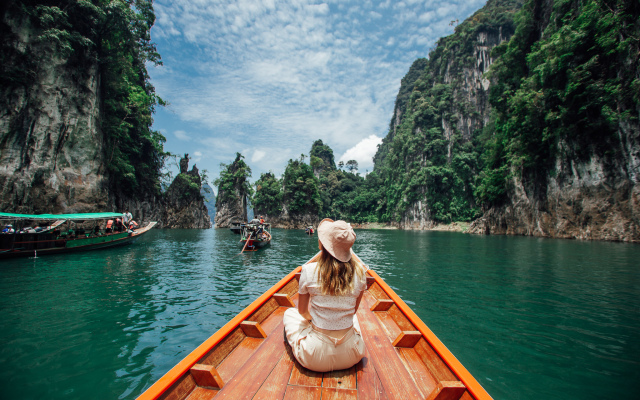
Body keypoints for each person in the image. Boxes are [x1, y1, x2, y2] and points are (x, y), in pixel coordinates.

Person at [283, 218, 367, 372]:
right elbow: (353, 311)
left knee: (289, 313)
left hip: (315, 357)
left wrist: (311, 320)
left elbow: (302, 312)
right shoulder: (361, 272)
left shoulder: (308, 271)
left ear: (324, 243)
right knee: (354, 319)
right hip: (351, 355)